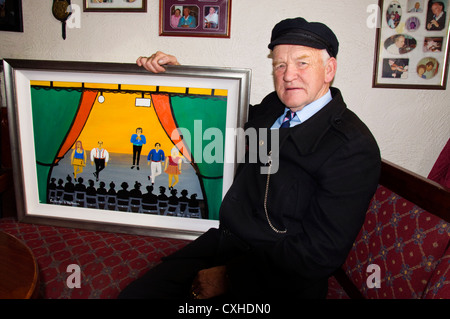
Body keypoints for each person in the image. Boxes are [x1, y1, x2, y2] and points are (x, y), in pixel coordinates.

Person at [122, 17, 381, 300]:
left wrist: (230, 277)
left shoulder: (352, 147)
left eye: (302, 63)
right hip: (222, 245)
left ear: (329, 69)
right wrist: (184, 75)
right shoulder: (274, 106)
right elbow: (229, 114)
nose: (288, 75)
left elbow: (317, 256)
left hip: (275, 280)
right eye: (279, 65)